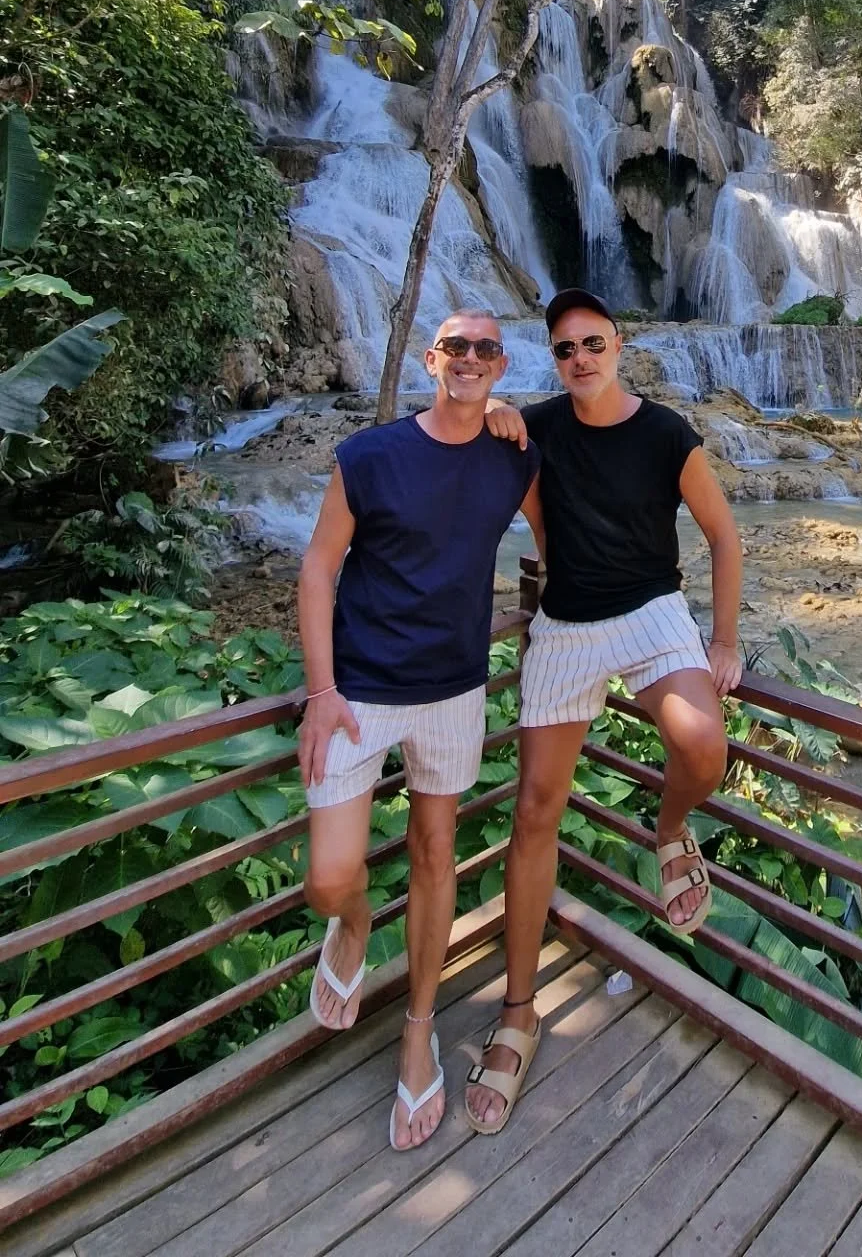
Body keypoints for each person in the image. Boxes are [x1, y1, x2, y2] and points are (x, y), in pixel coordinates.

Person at [465, 287, 742, 1133]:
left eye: (593, 343)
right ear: (553, 359)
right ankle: (518, 1015)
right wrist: (496, 414)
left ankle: (669, 831)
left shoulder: (666, 434)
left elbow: (723, 535)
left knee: (703, 746)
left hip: (654, 613)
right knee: (534, 813)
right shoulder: (536, 428)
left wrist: (724, 641)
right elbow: (476, 452)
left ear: (619, 346)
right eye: (565, 349)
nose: (580, 358)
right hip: (565, 626)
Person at [296, 309, 541, 1152]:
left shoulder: (515, 455)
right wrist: (320, 691)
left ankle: (418, 1028)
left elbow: (559, 528)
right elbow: (319, 568)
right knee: (330, 877)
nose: (470, 359)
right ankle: (355, 923)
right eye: (456, 348)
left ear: (500, 365)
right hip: (359, 691)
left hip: (454, 690)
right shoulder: (368, 457)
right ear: (432, 360)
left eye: (485, 350)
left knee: (437, 853)